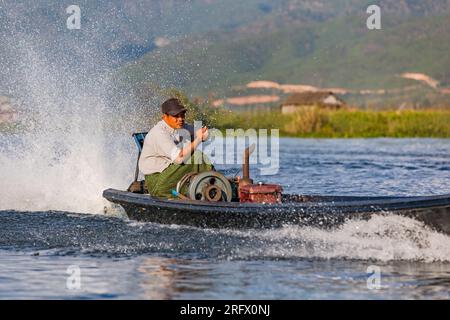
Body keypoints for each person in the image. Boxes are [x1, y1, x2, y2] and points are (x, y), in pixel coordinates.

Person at [139, 98, 213, 198]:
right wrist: (199, 139)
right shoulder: (158, 133)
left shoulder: (180, 126)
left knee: (198, 156)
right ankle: (212, 185)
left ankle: (214, 184)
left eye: (182, 115)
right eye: (175, 116)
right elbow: (179, 158)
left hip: (172, 175)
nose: (180, 119)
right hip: (158, 184)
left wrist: (205, 135)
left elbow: (201, 131)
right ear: (164, 116)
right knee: (196, 156)